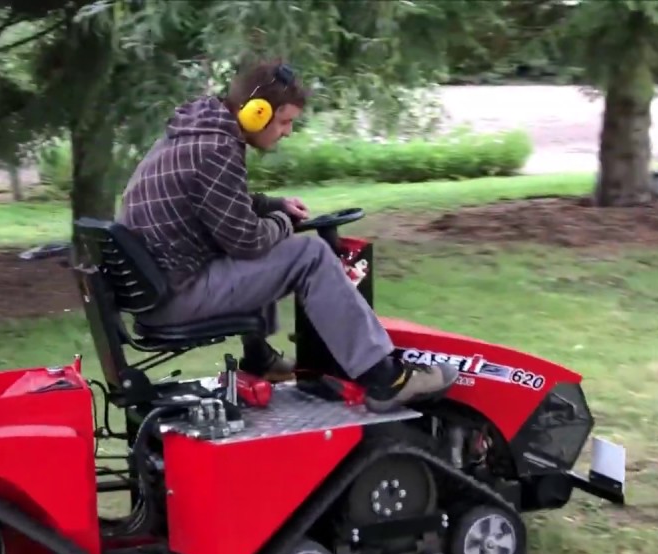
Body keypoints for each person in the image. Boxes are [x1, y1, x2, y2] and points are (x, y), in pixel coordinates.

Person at [115, 57, 457, 413]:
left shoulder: (194, 133)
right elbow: (246, 241)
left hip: (159, 291)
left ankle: (260, 357)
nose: (287, 131)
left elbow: (217, 202)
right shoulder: (215, 148)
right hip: (176, 297)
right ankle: (384, 379)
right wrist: (282, 221)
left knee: (271, 248)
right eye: (284, 121)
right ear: (256, 113)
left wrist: (271, 205)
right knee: (308, 254)